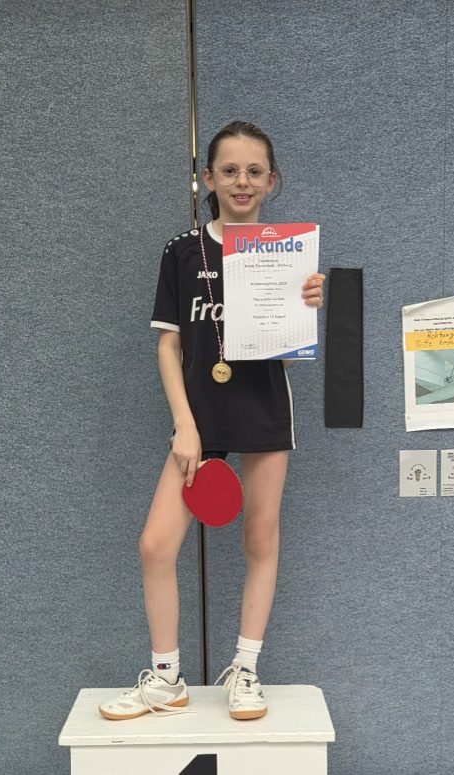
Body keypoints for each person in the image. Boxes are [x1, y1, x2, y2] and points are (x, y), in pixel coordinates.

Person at [99, 120, 325, 723]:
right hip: (198, 418)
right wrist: (184, 423)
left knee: (260, 538)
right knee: (155, 544)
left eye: (254, 171)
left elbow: (287, 348)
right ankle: (165, 680)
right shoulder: (181, 251)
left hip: (263, 408)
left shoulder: (287, 253)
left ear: (272, 181)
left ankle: (245, 670)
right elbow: (168, 346)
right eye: (229, 170)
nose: (241, 181)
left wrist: (305, 307)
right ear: (208, 178)